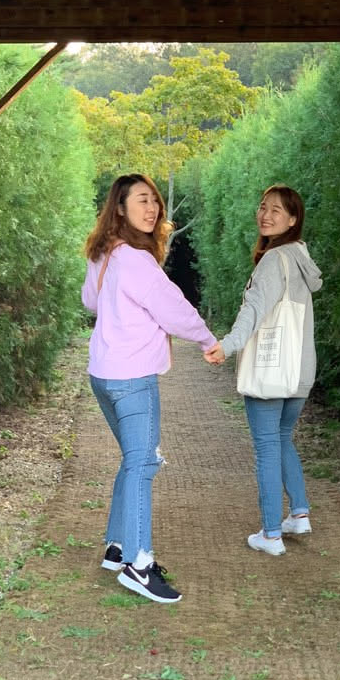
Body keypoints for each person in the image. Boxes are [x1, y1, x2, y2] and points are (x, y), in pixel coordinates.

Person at [81, 174, 219, 602]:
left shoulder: (104, 253)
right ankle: (138, 565)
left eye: (154, 200)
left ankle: (117, 546)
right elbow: (173, 308)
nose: (152, 208)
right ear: (120, 208)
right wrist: (207, 340)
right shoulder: (137, 261)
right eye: (141, 200)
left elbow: (90, 301)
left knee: (133, 457)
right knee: (142, 463)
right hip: (133, 378)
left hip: (103, 375)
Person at [204, 185, 322, 556]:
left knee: (268, 447)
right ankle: (299, 513)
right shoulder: (300, 257)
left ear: (293, 219)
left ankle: (270, 534)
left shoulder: (274, 260)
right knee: (282, 438)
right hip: (299, 372)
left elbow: (252, 311)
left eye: (276, 210)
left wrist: (227, 345)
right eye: (263, 207)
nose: (265, 215)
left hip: (271, 373)